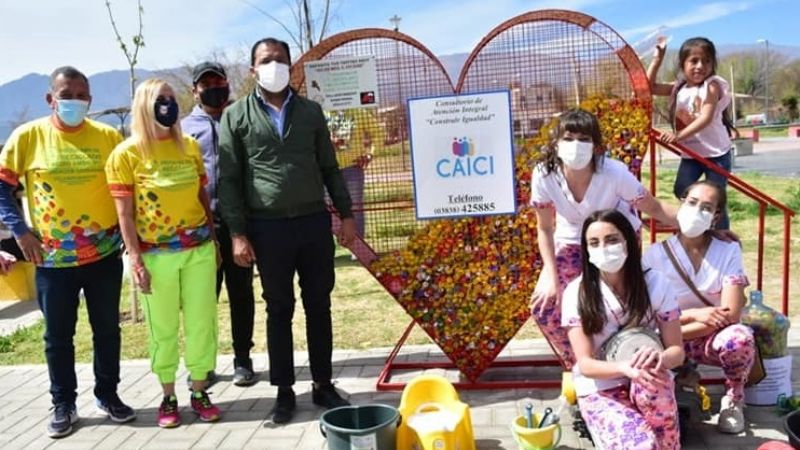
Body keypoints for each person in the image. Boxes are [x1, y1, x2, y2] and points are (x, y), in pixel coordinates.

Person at [218, 37, 356, 424]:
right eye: (265, 60)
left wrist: (345, 214)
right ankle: (283, 392)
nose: (273, 65)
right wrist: (238, 233)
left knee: (319, 305)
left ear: (291, 66)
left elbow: (330, 167)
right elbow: (228, 179)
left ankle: (324, 384)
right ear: (252, 69)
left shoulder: (311, 112)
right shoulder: (235, 116)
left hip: (313, 223)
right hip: (267, 228)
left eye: (279, 59)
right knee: (279, 309)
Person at [0, 66, 135, 438]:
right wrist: (20, 232)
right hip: (52, 260)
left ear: (90, 99)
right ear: (51, 99)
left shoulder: (108, 137)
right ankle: (63, 403)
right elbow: (2, 187)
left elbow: (126, 186)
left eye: (82, 95)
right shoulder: (27, 137)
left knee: (107, 330)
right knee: (57, 337)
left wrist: (129, 230)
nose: (75, 101)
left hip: (104, 257)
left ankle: (108, 395)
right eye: (67, 94)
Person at [106, 78, 221, 428]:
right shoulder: (125, 155)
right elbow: (124, 214)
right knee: (164, 329)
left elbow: (203, 197)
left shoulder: (188, 145)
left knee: (203, 324)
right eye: (160, 100)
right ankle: (168, 395)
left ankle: (200, 390)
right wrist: (135, 259)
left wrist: (214, 240)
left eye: (171, 99)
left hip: (198, 250)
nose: (167, 105)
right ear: (143, 105)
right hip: (156, 257)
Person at [529, 108, 678, 369]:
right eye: (569, 138)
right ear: (556, 143)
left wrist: (701, 226)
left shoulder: (613, 172)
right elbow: (544, 228)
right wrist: (550, 275)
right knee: (545, 307)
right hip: (573, 240)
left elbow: (653, 207)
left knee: (623, 303)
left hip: (615, 238)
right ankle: (579, 365)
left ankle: (629, 354)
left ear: (597, 146)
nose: (576, 145)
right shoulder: (544, 175)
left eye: (584, 139)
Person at [562, 209, 684, 449]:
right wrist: (624, 369)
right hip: (601, 386)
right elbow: (586, 364)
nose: (604, 248)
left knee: (666, 441)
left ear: (629, 242)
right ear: (586, 250)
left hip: (650, 378)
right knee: (641, 445)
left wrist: (659, 358)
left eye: (612, 239)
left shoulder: (657, 284)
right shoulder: (577, 293)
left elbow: (677, 352)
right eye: (594, 243)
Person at [643, 180, 755, 434]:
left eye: (706, 207)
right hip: (667, 339)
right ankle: (674, 387)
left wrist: (678, 327)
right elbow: (647, 318)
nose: (696, 211)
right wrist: (696, 314)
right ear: (681, 205)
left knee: (739, 338)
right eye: (692, 203)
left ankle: (734, 400)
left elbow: (731, 313)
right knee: (642, 342)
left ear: (716, 216)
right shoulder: (654, 256)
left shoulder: (727, 250)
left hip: (707, 337)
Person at [181, 62, 257, 387]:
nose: (213, 86)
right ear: (194, 90)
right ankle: (204, 363)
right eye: (205, 82)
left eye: (218, 80)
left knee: (241, 294)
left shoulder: (241, 118)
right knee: (203, 300)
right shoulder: (183, 129)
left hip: (238, 224)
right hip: (200, 227)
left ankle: (243, 359)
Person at [647, 36, 733, 229]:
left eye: (706, 61)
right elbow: (649, 87)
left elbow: (706, 117)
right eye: (693, 61)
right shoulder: (679, 87)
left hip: (716, 153)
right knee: (680, 189)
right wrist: (657, 59)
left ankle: (722, 236)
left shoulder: (712, 85)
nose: (700, 66)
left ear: (713, 64)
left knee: (716, 199)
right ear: (682, 64)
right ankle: (698, 222)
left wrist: (678, 136)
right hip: (692, 153)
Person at [326, 108, 383, 239]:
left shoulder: (358, 111)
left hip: (353, 168)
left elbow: (379, 133)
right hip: (326, 170)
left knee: (355, 207)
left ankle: (358, 246)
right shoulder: (320, 112)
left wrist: (370, 154)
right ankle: (329, 246)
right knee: (327, 209)